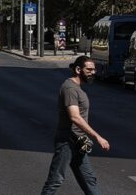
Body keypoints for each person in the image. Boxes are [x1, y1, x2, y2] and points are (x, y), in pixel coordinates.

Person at [40, 56, 110, 195]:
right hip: (67, 141)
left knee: (89, 180)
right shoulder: (70, 88)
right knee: (55, 180)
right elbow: (75, 117)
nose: (93, 72)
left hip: (78, 141)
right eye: (89, 69)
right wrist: (97, 137)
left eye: (94, 69)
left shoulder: (77, 88)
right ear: (78, 69)